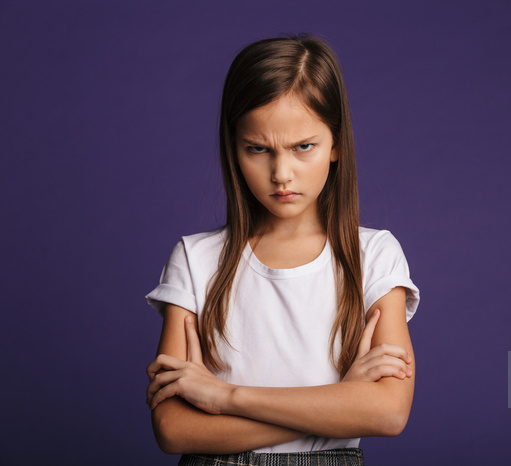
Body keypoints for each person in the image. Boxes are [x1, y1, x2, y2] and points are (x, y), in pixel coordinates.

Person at [145, 35, 420, 466]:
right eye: (258, 149)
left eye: (303, 147)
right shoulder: (196, 261)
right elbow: (174, 430)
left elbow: (388, 412)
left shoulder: (374, 256)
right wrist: (340, 405)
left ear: (335, 146)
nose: (281, 174)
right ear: (233, 149)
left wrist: (224, 396)